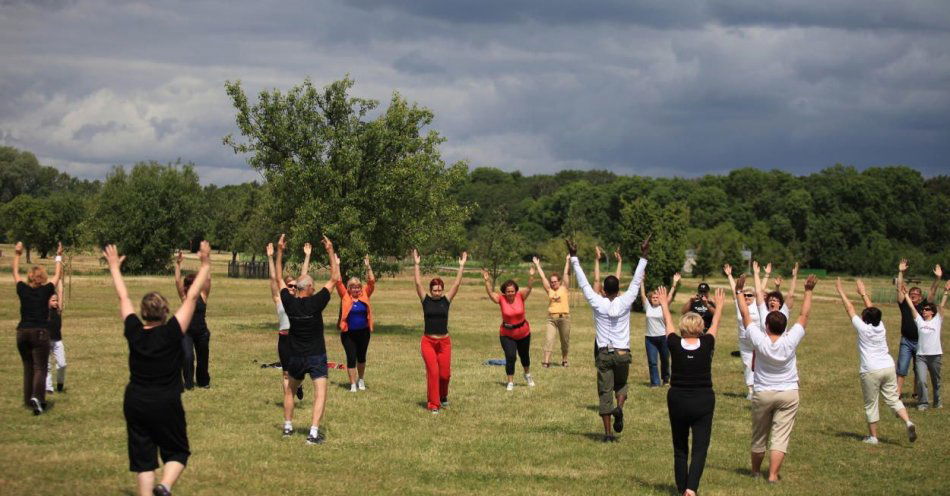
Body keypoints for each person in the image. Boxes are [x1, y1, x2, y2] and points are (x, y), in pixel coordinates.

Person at [105, 241, 211, 496]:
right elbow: (193, 296)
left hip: (136, 401)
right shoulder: (173, 332)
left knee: (144, 460)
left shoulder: (134, 331)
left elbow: (123, 297)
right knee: (178, 452)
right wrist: (205, 264)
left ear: (142, 314)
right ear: (166, 312)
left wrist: (114, 269)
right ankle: (164, 486)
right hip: (166, 400)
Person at [737, 270, 816, 483]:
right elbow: (804, 315)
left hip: (763, 392)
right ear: (784, 327)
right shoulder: (790, 339)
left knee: (759, 435)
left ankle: (755, 472)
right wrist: (808, 291)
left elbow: (745, 316)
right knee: (780, 437)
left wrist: (738, 292)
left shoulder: (760, 339)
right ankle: (772, 475)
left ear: (767, 326)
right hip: (788, 392)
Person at [569, 235, 649, 442]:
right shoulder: (626, 301)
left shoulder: (598, 302)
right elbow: (636, 280)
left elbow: (584, 283)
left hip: (604, 353)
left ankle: (607, 434)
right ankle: (619, 407)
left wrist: (574, 257)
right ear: (618, 289)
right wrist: (644, 255)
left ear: (604, 290)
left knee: (604, 392)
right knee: (621, 385)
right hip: (623, 353)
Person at [656, 285, 724, 496]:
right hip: (703, 400)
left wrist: (664, 305)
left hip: (678, 400)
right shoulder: (707, 343)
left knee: (680, 447)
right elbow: (716, 325)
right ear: (701, 327)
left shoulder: (675, 343)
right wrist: (719, 306)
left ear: (683, 328)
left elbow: (667, 324)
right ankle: (691, 489)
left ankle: (680, 487)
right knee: (700, 448)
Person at [834, 278, 917, 444]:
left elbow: (849, 308)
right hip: (887, 366)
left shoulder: (863, 328)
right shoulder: (881, 326)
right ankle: (908, 421)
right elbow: (872, 310)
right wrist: (863, 293)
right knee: (893, 399)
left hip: (870, 370)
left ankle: (873, 437)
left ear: (865, 318)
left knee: (871, 404)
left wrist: (841, 291)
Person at [276, 234, 340, 444]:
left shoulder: (289, 302)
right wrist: (330, 251)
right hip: (315, 355)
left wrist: (279, 252)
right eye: (313, 285)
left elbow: (278, 279)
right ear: (309, 289)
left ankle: (287, 428)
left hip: (295, 356)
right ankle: (313, 433)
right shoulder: (316, 302)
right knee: (320, 392)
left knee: (290, 390)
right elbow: (335, 278)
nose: (315, 287)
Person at [413, 249, 467, 413]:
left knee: (445, 375)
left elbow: (456, 285)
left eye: (439, 290)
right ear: (430, 290)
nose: (437, 292)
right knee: (434, 372)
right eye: (434, 290)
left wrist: (461, 266)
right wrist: (416, 264)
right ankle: (433, 404)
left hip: (444, 342)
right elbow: (417, 283)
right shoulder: (425, 300)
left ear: (442, 290)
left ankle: (443, 397)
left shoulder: (446, 300)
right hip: (428, 342)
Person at [12, 241, 63, 415]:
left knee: (28, 367)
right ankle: (38, 399)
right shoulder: (47, 290)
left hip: (22, 333)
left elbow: (15, 273)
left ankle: (28, 400)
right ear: (42, 278)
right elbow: (57, 275)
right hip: (39, 333)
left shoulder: (22, 289)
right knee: (40, 367)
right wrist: (59, 255)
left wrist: (18, 254)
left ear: (30, 278)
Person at [266, 241, 310, 402]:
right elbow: (273, 278)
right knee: (286, 373)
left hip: (299, 339)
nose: (292, 288)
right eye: (289, 285)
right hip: (284, 339)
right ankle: (288, 401)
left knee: (300, 372)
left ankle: (298, 385)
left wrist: (307, 256)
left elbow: (304, 278)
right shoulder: (279, 299)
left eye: (294, 286)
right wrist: (271, 257)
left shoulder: (300, 299)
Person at [482, 265, 536, 390]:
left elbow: (529, 287)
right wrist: (486, 280)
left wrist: (532, 275)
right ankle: (510, 381)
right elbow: (490, 293)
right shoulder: (501, 299)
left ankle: (527, 375)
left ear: (515, 290)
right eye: (508, 291)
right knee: (510, 356)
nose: (510, 293)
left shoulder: (520, 296)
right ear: (504, 292)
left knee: (524, 355)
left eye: (512, 291)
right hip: (507, 334)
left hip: (523, 332)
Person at [894, 261, 942, 397]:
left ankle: (916, 392)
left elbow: (933, 291)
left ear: (920, 297)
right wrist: (901, 273)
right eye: (911, 292)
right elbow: (899, 288)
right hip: (906, 341)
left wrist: (938, 278)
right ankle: (897, 393)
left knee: (918, 369)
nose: (913, 294)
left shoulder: (925, 306)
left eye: (916, 293)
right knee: (902, 367)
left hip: (920, 342)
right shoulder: (904, 304)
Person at [903, 284, 947, 410]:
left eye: (927, 309)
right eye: (923, 309)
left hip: (935, 356)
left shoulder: (937, 320)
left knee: (935, 380)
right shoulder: (919, 321)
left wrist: (946, 292)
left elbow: (942, 306)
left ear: (932, 312)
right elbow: (912, 307)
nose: (924, 311)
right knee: (921, 380)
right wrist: (906, 294)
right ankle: (923, 403)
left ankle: (937, 402)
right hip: (921, 355)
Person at [336, 255, 376, 392]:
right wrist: (337, 265)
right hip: (348, 334)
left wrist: (368, 266)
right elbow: (338, 282)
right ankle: (353, 384)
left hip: (363, 332)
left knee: (362, 357)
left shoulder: (364, 294)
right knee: (351, 357)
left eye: (358, 287)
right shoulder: (345, 296)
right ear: (349, 288)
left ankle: (361, 380)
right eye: (353, 287)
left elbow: (371, 281)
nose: (356, 289)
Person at [174, 250, 213, 390]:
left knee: (203, 359)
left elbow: (207, 280)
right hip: (186, 333)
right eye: (189, 285)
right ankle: (189, 383)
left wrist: (205, 261)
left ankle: (203, 382)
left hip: (202, 333)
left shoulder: (203, 295)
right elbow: (177, 281)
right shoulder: (185, 298)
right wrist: (178, 264)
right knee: (188, 357)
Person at [640, 272, 681, 387]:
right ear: (650, 299)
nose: (655, 299)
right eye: (653, 297)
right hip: (650, 339)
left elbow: (669, 296)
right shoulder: (647, 306)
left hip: (663, 337)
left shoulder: (664, 306)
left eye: (657, 297)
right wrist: (642, 281)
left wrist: (674, 283)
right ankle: (655, 383)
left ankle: (666, 379)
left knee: (665, 360)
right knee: (652, 362)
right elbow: (642, 295)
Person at [724, 264, 757, 400]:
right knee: (747, 364)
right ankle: (750, 390)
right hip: (744, 340)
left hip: (757, 340)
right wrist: (729, 276)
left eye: (750, 295)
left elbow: (760, 291)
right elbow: (734, 290)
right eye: (745, 295)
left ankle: (761, 389)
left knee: (760, 365)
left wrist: (759, 275)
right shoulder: (740, 305)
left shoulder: (758, 305)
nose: (747, 297)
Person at [533, 255, 571, 368]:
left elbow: (565, 275)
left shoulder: (564, 288)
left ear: (559, 282)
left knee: (565, 341)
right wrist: (537, 265)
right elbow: (543, 278)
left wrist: (567, 261)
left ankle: (564, 360)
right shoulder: (549, 290)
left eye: (555, 281)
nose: (553, 283)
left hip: (564, 318)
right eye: (552, 282)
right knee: (549, 339)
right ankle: (546, 362)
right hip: (551, 319)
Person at [754, 262, 799, 330]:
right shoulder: (764, 311)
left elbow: (790, 295)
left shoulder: (784, 311)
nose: (772, 301)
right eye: (770, 300)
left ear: (780, 303)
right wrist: (756, 274)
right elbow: (759, 292)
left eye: (775, 300)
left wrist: (794, 276)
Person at [45, 278, 66, 394]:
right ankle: (48, 388)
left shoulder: (58, 310)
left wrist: (59, 280)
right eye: (53, 300)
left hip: (58, 341)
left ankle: (60, 382)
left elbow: (61, 292)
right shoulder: (43, 311)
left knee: (62, 364)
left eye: (56, 300)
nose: (56, 302)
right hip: (46, 341)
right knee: (47, 366)